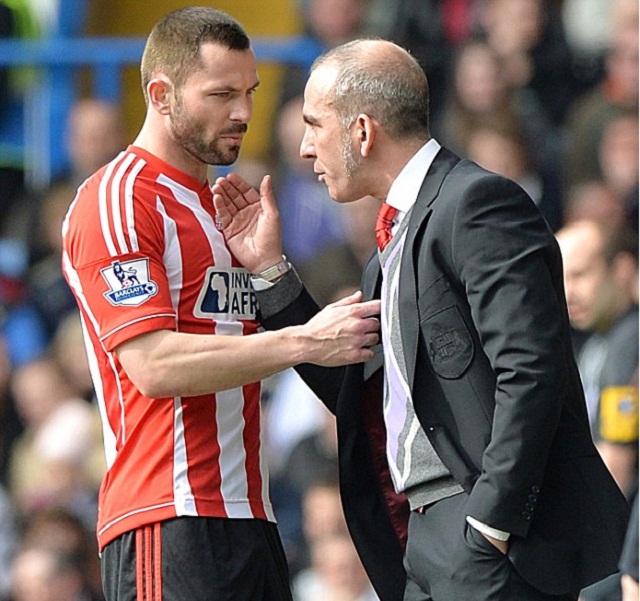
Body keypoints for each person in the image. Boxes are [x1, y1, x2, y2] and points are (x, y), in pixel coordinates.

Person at [213, 38, 630, 601]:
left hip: (492, 537)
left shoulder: (478, 204)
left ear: (362, 131)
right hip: (426, 542)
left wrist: (489, 525)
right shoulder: (386, 250)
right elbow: (358, 394)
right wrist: (270, 274)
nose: (306, 148)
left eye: (315, 125)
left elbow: (532, 372)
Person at [60, 8, 380, 601]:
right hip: (166, 517)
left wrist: (268, 270)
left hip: (250, 518)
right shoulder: (118, 199)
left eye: (250, 92)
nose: (243, 113)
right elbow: (152, 365)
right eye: (221, 94)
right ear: (161, 95)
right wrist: (307, 340)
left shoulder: (224, 207)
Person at [556, 220, 639, 498]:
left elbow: (617, 461)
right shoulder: (596, 341)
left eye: (580, 275)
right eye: (561, 279)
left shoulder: (631, 341)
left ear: (623, 270)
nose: (567, 293)